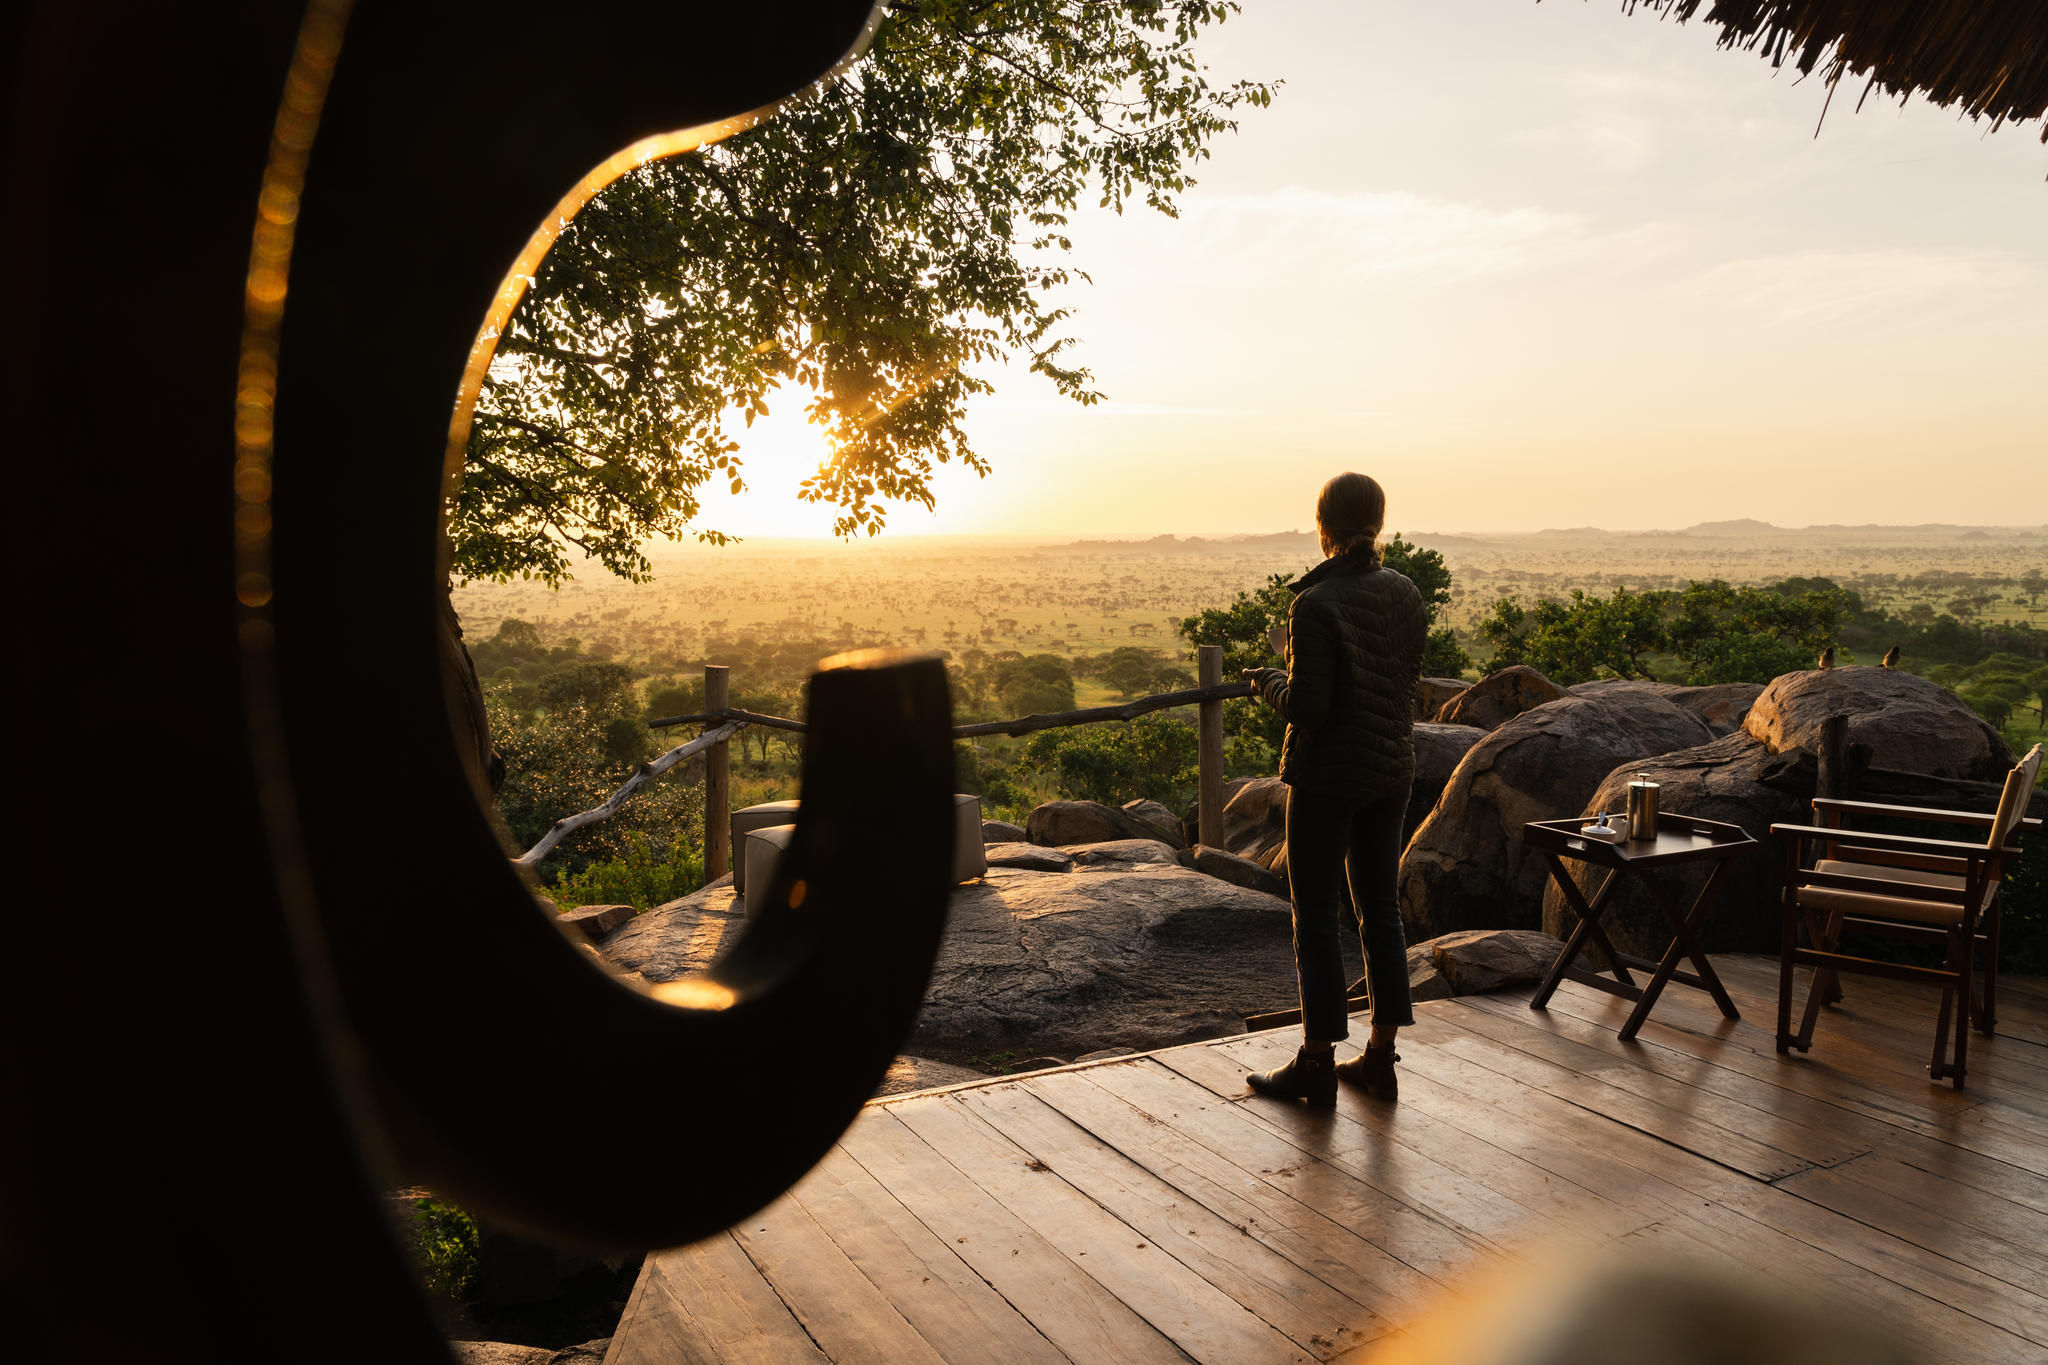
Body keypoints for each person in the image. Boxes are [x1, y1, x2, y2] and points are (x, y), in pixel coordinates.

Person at [1242, 472, 1428, 1105]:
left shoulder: (1313, 605)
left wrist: (1268, 681)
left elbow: (1311, 710)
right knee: (1380, 910)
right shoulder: (1404, 592)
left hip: (1327, 779)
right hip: (1391, 771)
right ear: (1378, 522)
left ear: (1321, 526)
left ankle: (1316, 1063)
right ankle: (1379, 1058)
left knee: (1317, 915)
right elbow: (1401, 681)